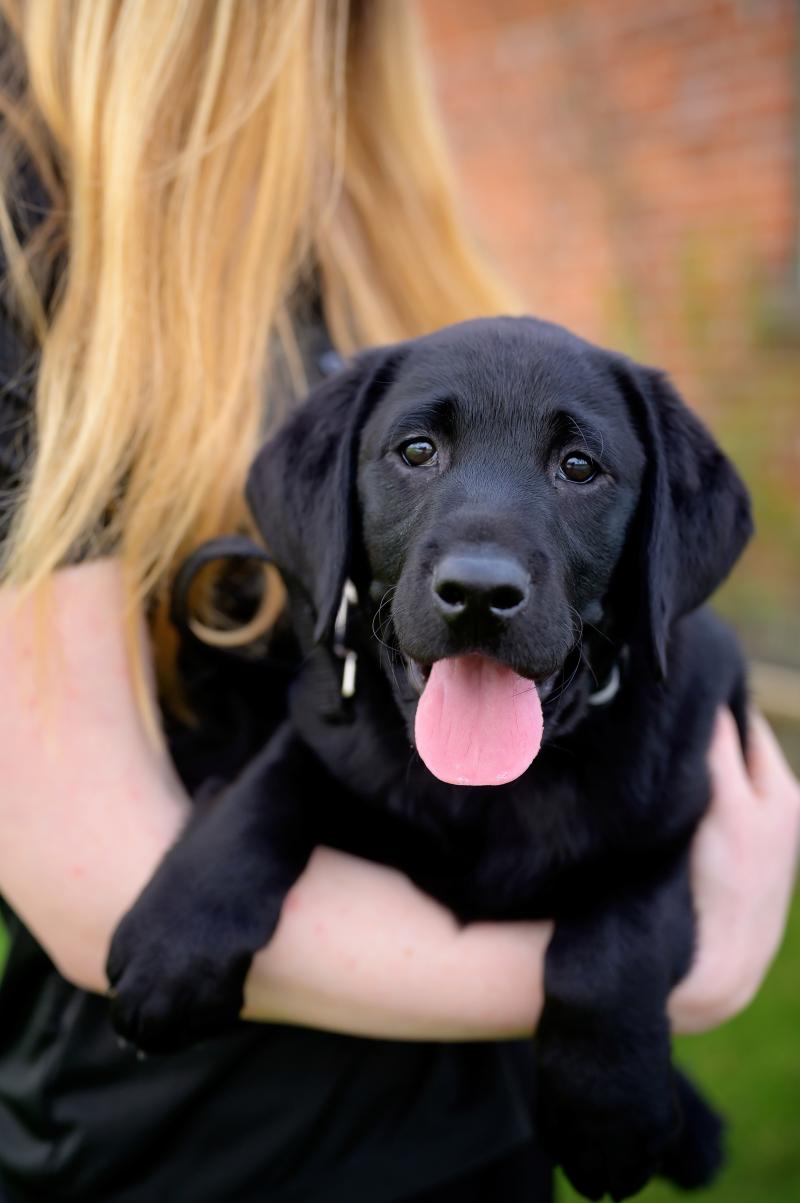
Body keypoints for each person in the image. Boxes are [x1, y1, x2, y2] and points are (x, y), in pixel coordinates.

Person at [0, 3, 797, 1201]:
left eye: (578, 469)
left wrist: (621, 965)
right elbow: (94, 873)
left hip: (477, 1135)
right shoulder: (34, 228)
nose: (481, 559)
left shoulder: (368, 212)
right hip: (181, 1149)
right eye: (417, 454)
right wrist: (664, 977)